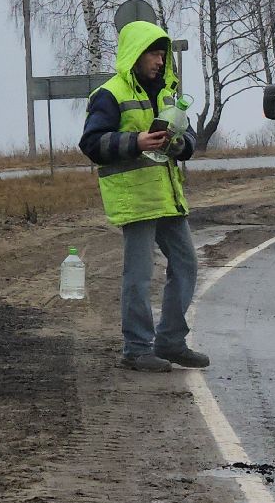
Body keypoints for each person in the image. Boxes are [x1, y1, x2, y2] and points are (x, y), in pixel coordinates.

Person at [79, 20, 207, 373]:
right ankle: (136, 347)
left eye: (162, 53)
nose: (159, 60)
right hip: (135, 199)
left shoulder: (170, 91)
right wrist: (134, 142)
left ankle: (170, 341)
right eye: (153, 52)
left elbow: (189, 141)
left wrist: (177, 143)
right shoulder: (110, 93)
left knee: (186, 266)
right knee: (138, 274)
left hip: (167, 195)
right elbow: (91, 143)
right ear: (135, 55)